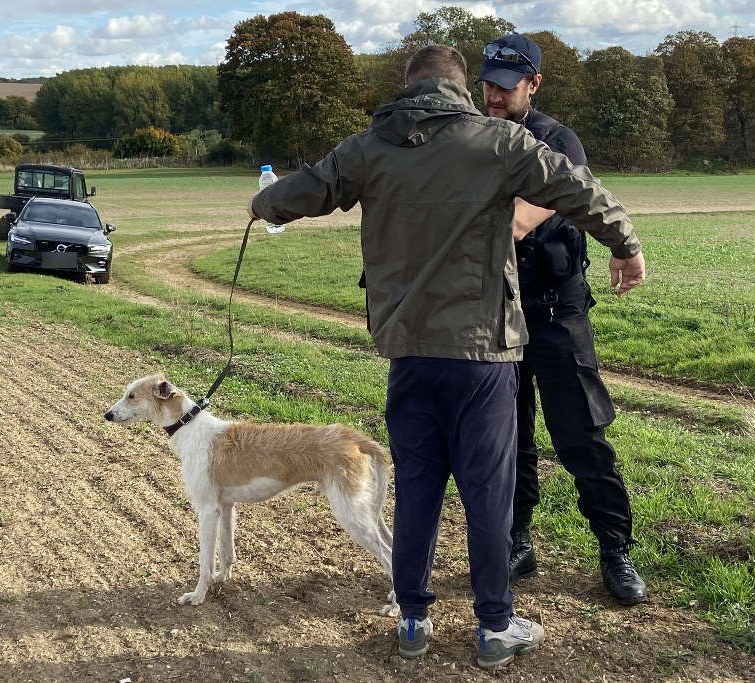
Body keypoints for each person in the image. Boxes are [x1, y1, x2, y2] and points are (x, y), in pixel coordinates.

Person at [248, 45, 643, 670]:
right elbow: (581, 190)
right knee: (489, 493)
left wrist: (261, 205)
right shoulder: (500, 144)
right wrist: (625, 244)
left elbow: (303, 192)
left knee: (420, 488)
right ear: (463, 89)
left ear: (408, 90)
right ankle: (494, 626)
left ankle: (413, 618)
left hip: (408, 351)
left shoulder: (366, 149)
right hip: (482, 354)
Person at [476, 32, 648, 605]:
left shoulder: (557, 141)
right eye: (487, 85)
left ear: (533, 83)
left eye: (505, 88)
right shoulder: (475, 139)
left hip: (556, 312)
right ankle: (518, 540)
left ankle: (614, 550)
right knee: (511, 435)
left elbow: (523, 219)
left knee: (581, 433)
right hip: (499, 314)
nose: (493, 98)